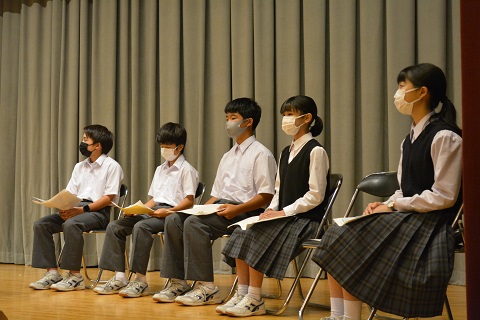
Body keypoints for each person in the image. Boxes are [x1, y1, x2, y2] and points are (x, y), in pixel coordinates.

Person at [312, 63, 463, 320]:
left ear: (422, 92)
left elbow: (444, 196)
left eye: (402, 87)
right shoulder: (410, 139)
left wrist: (393, 206)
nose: (397, 93)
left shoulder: (445, 137)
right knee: (338, 231)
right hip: (409, 215)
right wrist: (385, 203)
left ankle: (349, 317)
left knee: (350, 239)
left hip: (432, 223)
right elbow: (404, 189)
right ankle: (339, 315)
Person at [153, 97, 277, 305]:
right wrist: (198, 209)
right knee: (175, 219)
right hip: (222, 207)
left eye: (233, 118)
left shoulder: (261, 154)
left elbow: (266, 196)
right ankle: (177, 282)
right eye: (226, 118)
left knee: (194, 224)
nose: (228, 123)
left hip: (247, 211)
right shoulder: (227, 156)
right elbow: (216, 193)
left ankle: (207, 288)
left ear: (248, 122)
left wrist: (236, 210)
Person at [217, 95, 330, 317]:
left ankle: (254, 299)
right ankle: (242, 293)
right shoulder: (286, 152)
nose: (285, 119)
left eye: (290, 114)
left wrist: (283, 211)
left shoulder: (316, 151)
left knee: (258, 233)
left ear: (307, 118)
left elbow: (315, 195)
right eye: (284, 115)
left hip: (306, 220)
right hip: (284, 216)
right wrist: (271, 210)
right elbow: (278, 189)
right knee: (243, 230)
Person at [93, 122, 199, 298]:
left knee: (141, 227)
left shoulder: (187, 170)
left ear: (180, 147)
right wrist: (135, 209)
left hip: (173, 213)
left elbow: (189, 201)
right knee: (115, 226)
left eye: (168, 146)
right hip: (156, 211)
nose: (164, 150)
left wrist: (169, 211)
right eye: (162, 146)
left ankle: (140, 280)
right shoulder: (160, 169)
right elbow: (155, 199)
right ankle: (119, 276)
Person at [29, 124, 124, 291]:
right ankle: (52, 273)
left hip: (97, 212)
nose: (82, 142)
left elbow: (108, 197)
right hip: (75, 209)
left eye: (86, 139)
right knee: (41, 224)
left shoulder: (112, 166)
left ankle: (75, 276)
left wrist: (82, 210)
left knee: (71, 224)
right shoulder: (79, 167)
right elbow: (70, 193)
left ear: (97, 145)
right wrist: (62, 206)